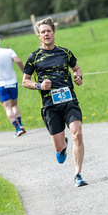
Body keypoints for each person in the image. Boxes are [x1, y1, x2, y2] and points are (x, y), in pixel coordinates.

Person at [22, 17, 87, 187]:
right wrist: (39, 85)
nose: (46, 34)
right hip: (50, 105)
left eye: (48, 31)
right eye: (42, 32)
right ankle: (62, 146)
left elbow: (77, 68)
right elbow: (25, 81)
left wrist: (78, 76)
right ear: (39, 36)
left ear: (54, 33)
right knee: (58, 148)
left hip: (68, 100)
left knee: (77, 133)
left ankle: (78, 174)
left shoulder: (65, 53)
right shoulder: (34, 57)